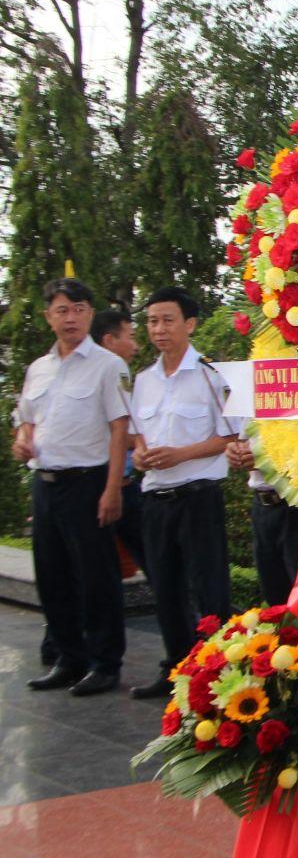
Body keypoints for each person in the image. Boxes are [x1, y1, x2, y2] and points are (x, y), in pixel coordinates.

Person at [13, 278, 130, 696]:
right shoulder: (37, 369)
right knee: (52, 575)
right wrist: (22, 439)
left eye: (79, 309)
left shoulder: (107, 365)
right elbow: (26, 418)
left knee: (97, 576)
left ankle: (104, 662)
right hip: (45, 483)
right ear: (48, 317)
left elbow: (120, 429)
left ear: (90, 314)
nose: (71, 318)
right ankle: (69, 657)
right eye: (62, 310)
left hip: (89, 482)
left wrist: (113, 488)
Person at [128, 287, 236, 700]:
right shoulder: (143, 380)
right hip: (156, 498)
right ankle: (175, 670)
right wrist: (140, 456)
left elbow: (230, 434)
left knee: (209, 587)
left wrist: (181, 454)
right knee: (166, 587)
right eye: (153, 321)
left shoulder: (211, 376)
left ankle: (219, 674)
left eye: (167, 320)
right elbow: (141, 435)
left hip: (197, 496)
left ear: (189, 324)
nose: (159, 329)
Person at [90, 309, 148, 574]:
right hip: (107, 487)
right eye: (131, 336)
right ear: (109, 340)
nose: (136, 346)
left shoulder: (116, 371)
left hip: (123, 485)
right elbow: (118, 433)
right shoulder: (111, 370)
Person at [225, 438, 298, 606]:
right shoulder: (249, 412)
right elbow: (242, 440)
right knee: (275, 599)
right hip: (262, 505)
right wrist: (235, 450)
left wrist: (268, 460)